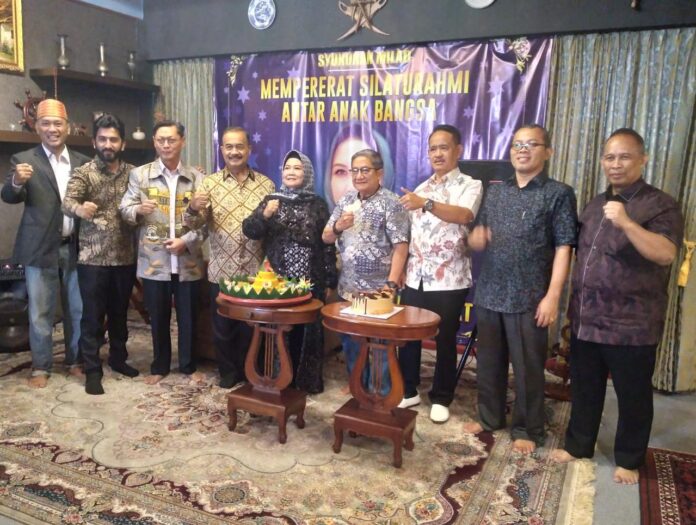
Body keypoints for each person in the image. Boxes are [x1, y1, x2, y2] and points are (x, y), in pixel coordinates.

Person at [550, 128, 684, 484]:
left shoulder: (660, 204)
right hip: (586, 318)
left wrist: (626, 222)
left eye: (624, 157)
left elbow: (666, 253)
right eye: (610, 157)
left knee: (632, 395)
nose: (616, 164)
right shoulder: (595, 204)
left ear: (643, 160)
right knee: (585, 388)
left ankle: (628, 458)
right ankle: (579, 445)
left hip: (632, 324)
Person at [463, 124, 578, 454]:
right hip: (491, 290)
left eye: (531, 144)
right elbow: (478, 235)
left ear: (548, 152)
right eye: (517, 144)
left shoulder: (558, 193)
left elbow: (564, 246)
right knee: (489, 363)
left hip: (529, 295)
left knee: (528, 367)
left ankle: (528, 428)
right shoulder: (497, 192)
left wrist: (553, 296)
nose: (522, 150)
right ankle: (490, 417)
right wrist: (476, 239)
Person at [397, 124, 483, 424]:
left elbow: (464, 215)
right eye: (432, 148)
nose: (437, 154)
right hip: (415, 276)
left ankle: (441, 397)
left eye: (443, 147)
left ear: (458, 150)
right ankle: (408, 390)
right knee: (408, 337)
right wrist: (401, 268)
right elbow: (409, 233)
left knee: (446, 338)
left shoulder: (470, 185)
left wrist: (426, 204)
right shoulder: (420, 188)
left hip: (449, 278)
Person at [1, 99, 89, 388]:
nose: (53, 128)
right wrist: (16, 181)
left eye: (58, 123)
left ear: (68, 127)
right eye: (46, 123)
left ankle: (75, 361)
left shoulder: (82, 162)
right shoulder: (24, 160)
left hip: (76, 247)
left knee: (77, 309)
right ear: (37, 127)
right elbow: (9, 196)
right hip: (39, 248)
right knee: (40, 312)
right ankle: (41, 366)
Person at [185, 126, 275, 388]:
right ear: (222, 149)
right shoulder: (209, 183)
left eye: (239, 146)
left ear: (249, 149)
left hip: (255, 273)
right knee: (223, 328)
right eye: (229, 147)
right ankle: (227, 372)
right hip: (221, 271)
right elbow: (195, 224)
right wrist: (192, 208)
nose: (234, 152)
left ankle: (250, 373)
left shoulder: (266, 184)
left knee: (251, 329)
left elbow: (271, 228)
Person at [242, 150, 337, 393]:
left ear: (307, 173)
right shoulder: (271, 200)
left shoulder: (317, 204)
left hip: (311, 278)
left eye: (297, 168)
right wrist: (265, 215)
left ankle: (304, 382)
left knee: (307, 330)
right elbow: (250, 231)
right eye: (287, 168)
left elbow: (326, 243)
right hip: (278, 279)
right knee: (278, 329)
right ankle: (275, 379)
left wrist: (330, 279)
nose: (291, 172)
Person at [119, 120, 206, 385]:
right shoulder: (140, 175)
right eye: (160, 140)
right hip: (154, 261)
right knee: (157, 317)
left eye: (171, 140)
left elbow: (207, 222)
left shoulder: (198, 178)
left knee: (188, 318)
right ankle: (159, 366)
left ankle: (188, 366)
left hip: (188, 261)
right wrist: (137, 210)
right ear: (154, 142)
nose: (166, 145)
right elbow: (124, 209)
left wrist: (186, 241)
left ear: (182, 141)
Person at [62, 113, 139, 395]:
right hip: (92, 259)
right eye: (103, 139)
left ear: (123, 143)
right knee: (92, 317)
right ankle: (92, 370)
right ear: (94, 142)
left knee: (120, 314)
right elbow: (67, 201)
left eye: (113, 139)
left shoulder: (134, 173)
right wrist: (79, 209)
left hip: (124, 256)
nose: (108, 144)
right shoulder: (84, 172)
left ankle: (118, 359)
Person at [322, 148, 409, 395]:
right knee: (351, 342)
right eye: (355, 170)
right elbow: (326, 237)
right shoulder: (346, 201)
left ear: (379, 173)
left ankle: (381, 393)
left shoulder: (391, 203)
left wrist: (390, 285)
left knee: (381, 345)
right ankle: (358, 386)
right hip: (348, 288)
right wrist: (338, 226)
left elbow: (401, 246)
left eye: (365, 170)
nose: (359, 175)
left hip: (379, 290)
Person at [323, 125, 395, 210]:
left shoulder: (400, 216)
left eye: (365, 171)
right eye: (341, 172)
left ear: (384, 177)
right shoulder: (318, 217)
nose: (351, 188)